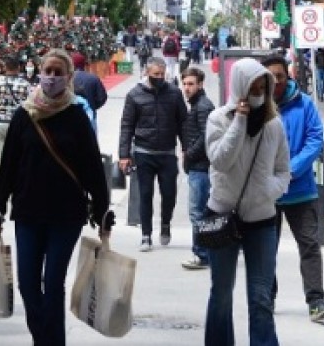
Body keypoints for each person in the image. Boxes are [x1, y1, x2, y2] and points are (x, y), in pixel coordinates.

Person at [0, 50, 112, 346]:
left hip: (66, 214)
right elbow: (8, 165)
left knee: (53, 283)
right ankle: (44, 339)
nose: (53, 78)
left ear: (69, 77)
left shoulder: (76, 117)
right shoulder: (23, 115)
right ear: (39, 73)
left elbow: (92, 167)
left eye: (59, 73)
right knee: (27, 284)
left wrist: (103, 209)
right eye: (48, 71)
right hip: (28, 212)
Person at [203, 58, 292, 346]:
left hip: (262, 220)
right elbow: (221, 160)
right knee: (221, 295)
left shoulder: (274, 125)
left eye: (262, 87)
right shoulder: (218, 119)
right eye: (252, 86)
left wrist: (268, 190)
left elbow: (283, 170)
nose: (257, 92)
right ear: (240, 85)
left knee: (261, 297)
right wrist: (239, 121)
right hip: (222, 217)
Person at [261, 52, 324, 322]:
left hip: (300, 190)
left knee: (309, 245)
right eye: (270, 78)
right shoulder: (256, 106)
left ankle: (316, 301)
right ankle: (266, 298)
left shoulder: (303, 104)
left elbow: (315, 139)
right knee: (265, 249)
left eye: (279, 76)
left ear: (288, 75)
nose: (276, 82)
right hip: (266, 193)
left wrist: (291, 170)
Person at [118, 56, 191, 251]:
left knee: (169, 194)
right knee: (145, 194)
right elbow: (126, 125)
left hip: (167, 152)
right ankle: (146, 235)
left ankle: (165, 223)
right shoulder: (134, 95)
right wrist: (124, 154)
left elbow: (183, 122)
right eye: (155, 74)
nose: (159, 77)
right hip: (143, 152)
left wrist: (186, 148)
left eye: (162, 74)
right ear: (147, 73)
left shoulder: (174, 94)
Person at [179, 66, 217, 271]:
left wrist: (189, 154)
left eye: (191, 84)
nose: (186, 88)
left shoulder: (202, 106)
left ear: (200, 84)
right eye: (184, 84)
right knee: (201, 211)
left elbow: (205, 137)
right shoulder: (198, 105)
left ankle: (201, 254)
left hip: (200, 167)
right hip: (199, 166)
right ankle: (204, 252)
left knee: (198, 212)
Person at [0, 55, 30, 165]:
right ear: (19, 68)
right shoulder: (25, 84)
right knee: (18, 157)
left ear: (5, 67)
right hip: (18, 123)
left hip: (0, 122)